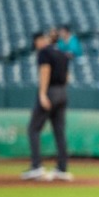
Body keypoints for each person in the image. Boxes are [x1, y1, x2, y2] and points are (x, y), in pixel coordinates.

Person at [22, 31, 73, 181]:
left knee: (33, 129)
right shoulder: (63, 54)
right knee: (59, 132)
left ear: (42, 40)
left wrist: (43, 94)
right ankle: (62, 169)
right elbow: (68, 77)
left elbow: (45, 71)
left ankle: (37, 166)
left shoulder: (44, 52)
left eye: (37, 40)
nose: (37, 44)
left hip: (50, 92)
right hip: (62, 92)